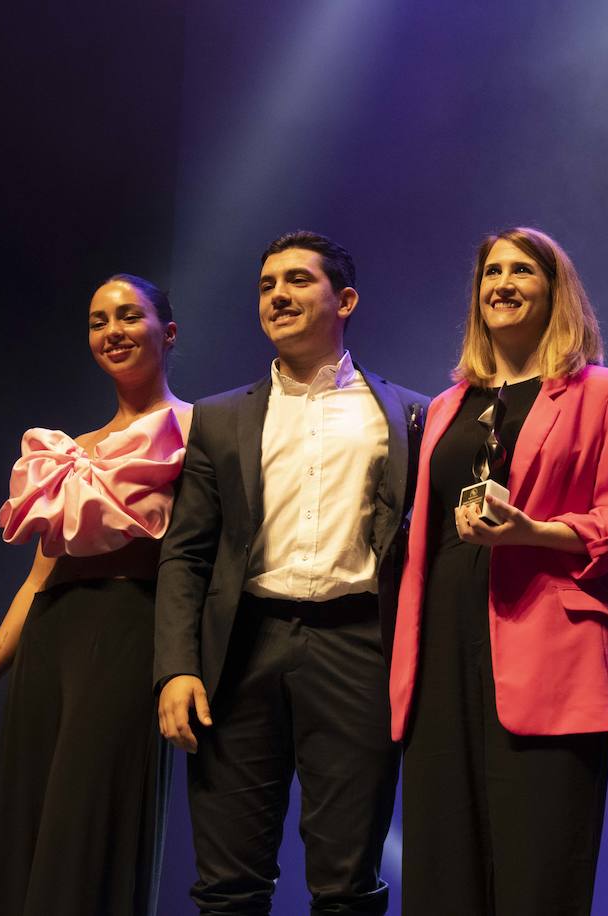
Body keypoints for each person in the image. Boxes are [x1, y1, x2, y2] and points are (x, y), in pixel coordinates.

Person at [154, 231, 426, 915]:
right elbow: (186, 551)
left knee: (347, 882)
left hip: (357, 646)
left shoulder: (410, 414)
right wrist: (176, 667)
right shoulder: (219, 419)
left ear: (347, 299)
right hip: (241, 648)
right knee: (227, 882)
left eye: (298, 280)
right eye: (267, 284)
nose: (278, 294)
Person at [387, 227, 608, 915]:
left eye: (522, 271)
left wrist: (537, 532)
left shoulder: (606, 393)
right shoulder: (444, 408)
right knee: (443, 880)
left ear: (554, 289)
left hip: (550, 654)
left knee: (538, 879)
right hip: (443, 654)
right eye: (491, 273)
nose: (502, 283)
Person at [0, 274, 189, 916]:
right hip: (52, 646)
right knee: (29, 828)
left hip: (132, 639)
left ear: (167, 333)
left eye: (128, 316)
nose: (112, 331)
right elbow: (36, 580)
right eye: (97, 321)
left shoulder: (202, 432)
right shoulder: (68, 455)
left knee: (85, 834)